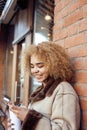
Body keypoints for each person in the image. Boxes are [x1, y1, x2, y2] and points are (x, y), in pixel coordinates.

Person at [7, 42, 80, 130]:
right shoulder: (40, 90)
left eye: (40, 66)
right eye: (32, 66)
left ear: (54, 65)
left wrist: (29, 117)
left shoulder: (63, 90)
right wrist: (19, 122)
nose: (34, 70)